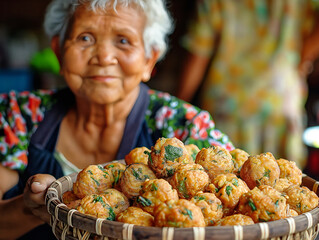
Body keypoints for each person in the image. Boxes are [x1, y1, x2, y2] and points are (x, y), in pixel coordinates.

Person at [0, 0, 234, 239]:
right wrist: (30, 208)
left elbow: (233, 211)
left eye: (123, 40)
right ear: (59, 52)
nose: (103, 57)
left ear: (149, 59)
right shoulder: (17, 114)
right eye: (85, 38)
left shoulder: (187, 125)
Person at [176, 0, 319, 169]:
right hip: (280, 99)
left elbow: (199, 53)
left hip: (229, 107)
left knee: (225, 181)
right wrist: (303, 58)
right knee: (283, 185)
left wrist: (179, 104)